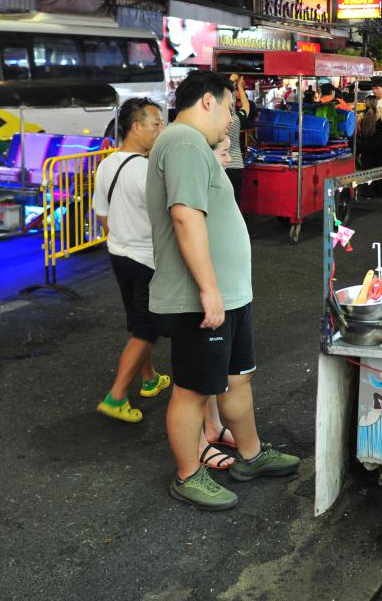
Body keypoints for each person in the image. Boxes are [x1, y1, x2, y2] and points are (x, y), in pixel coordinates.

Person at [147, 70, 299, 511]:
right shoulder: (182, 142)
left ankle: (250, 456)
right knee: (193, 389)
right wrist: (208, 290)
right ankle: (188, 474)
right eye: (230, 108)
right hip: (204, 298)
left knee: (237, 378)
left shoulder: (193, 147)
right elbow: (184, 217)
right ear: (207, 103)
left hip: (228, 294)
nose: (230, 119)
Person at [93, 98, 172, 426]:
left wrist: (122, 239)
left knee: (137, 321)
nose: (160, 130)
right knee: (145, 329)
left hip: (119, 255)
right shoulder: (146, 170)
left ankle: (150, 378)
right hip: (145, 260)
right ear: (136, 127)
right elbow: (169, 218)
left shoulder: (107, 164)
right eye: (155, 123)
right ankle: (116, 396)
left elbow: (103, 215)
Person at [355, 96, 382, 199]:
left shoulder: (361, 114)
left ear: (366, 103)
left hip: (366, 144)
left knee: (366, 168)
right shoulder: (379, 113)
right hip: (380, 144)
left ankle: (366, 192)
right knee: (379, 167)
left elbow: (360, 131)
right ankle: (378, 192)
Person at [225, 74, 249, 205]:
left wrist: (230, 81)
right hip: (237, 167)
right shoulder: (235, 119)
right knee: (235, 203)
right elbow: (246, 106)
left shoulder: (217, 121)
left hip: (222, 167)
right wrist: (240, 87)